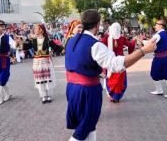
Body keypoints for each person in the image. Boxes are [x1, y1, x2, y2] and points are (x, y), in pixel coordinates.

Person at [65, 9, 156, 141]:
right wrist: (143, 51)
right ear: (97, 25)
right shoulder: (95, 45)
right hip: (86, 92)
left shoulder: (71, 41)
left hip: (71, 89)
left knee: (87, 128)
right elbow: (117, 65)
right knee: (82, 132)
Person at [101, 22, 135, 103]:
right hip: (120, 61)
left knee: (111, 78)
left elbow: (101, 47)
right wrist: (134, 41)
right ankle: (117, 97)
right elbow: (130, 45)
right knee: (120, 79)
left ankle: (111, 96)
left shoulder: (106, 38)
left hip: (110, 61)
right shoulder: (122, 38)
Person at [141, 19, 167, 98]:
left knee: (154, 73)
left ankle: (159, 90)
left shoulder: (158, 35)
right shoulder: (166, 33)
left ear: (160, 25)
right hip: (166, 57)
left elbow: (149, 43)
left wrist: (141, 40)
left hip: (159, 58)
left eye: (156, 24)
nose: (155, 26)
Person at [31, 24, 55, 104]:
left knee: (47, 78)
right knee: (40, 79)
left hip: (46, 62)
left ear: (41, 30)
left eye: (36, 28)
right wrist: (19, 42)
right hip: (37, 63)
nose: (35, 30)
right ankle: (43, 95)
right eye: (34, 29)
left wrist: (65, 49)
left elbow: (56, 47)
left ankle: (49, 95)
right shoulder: (33, 40)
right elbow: (25, 46)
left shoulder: (48, 40)